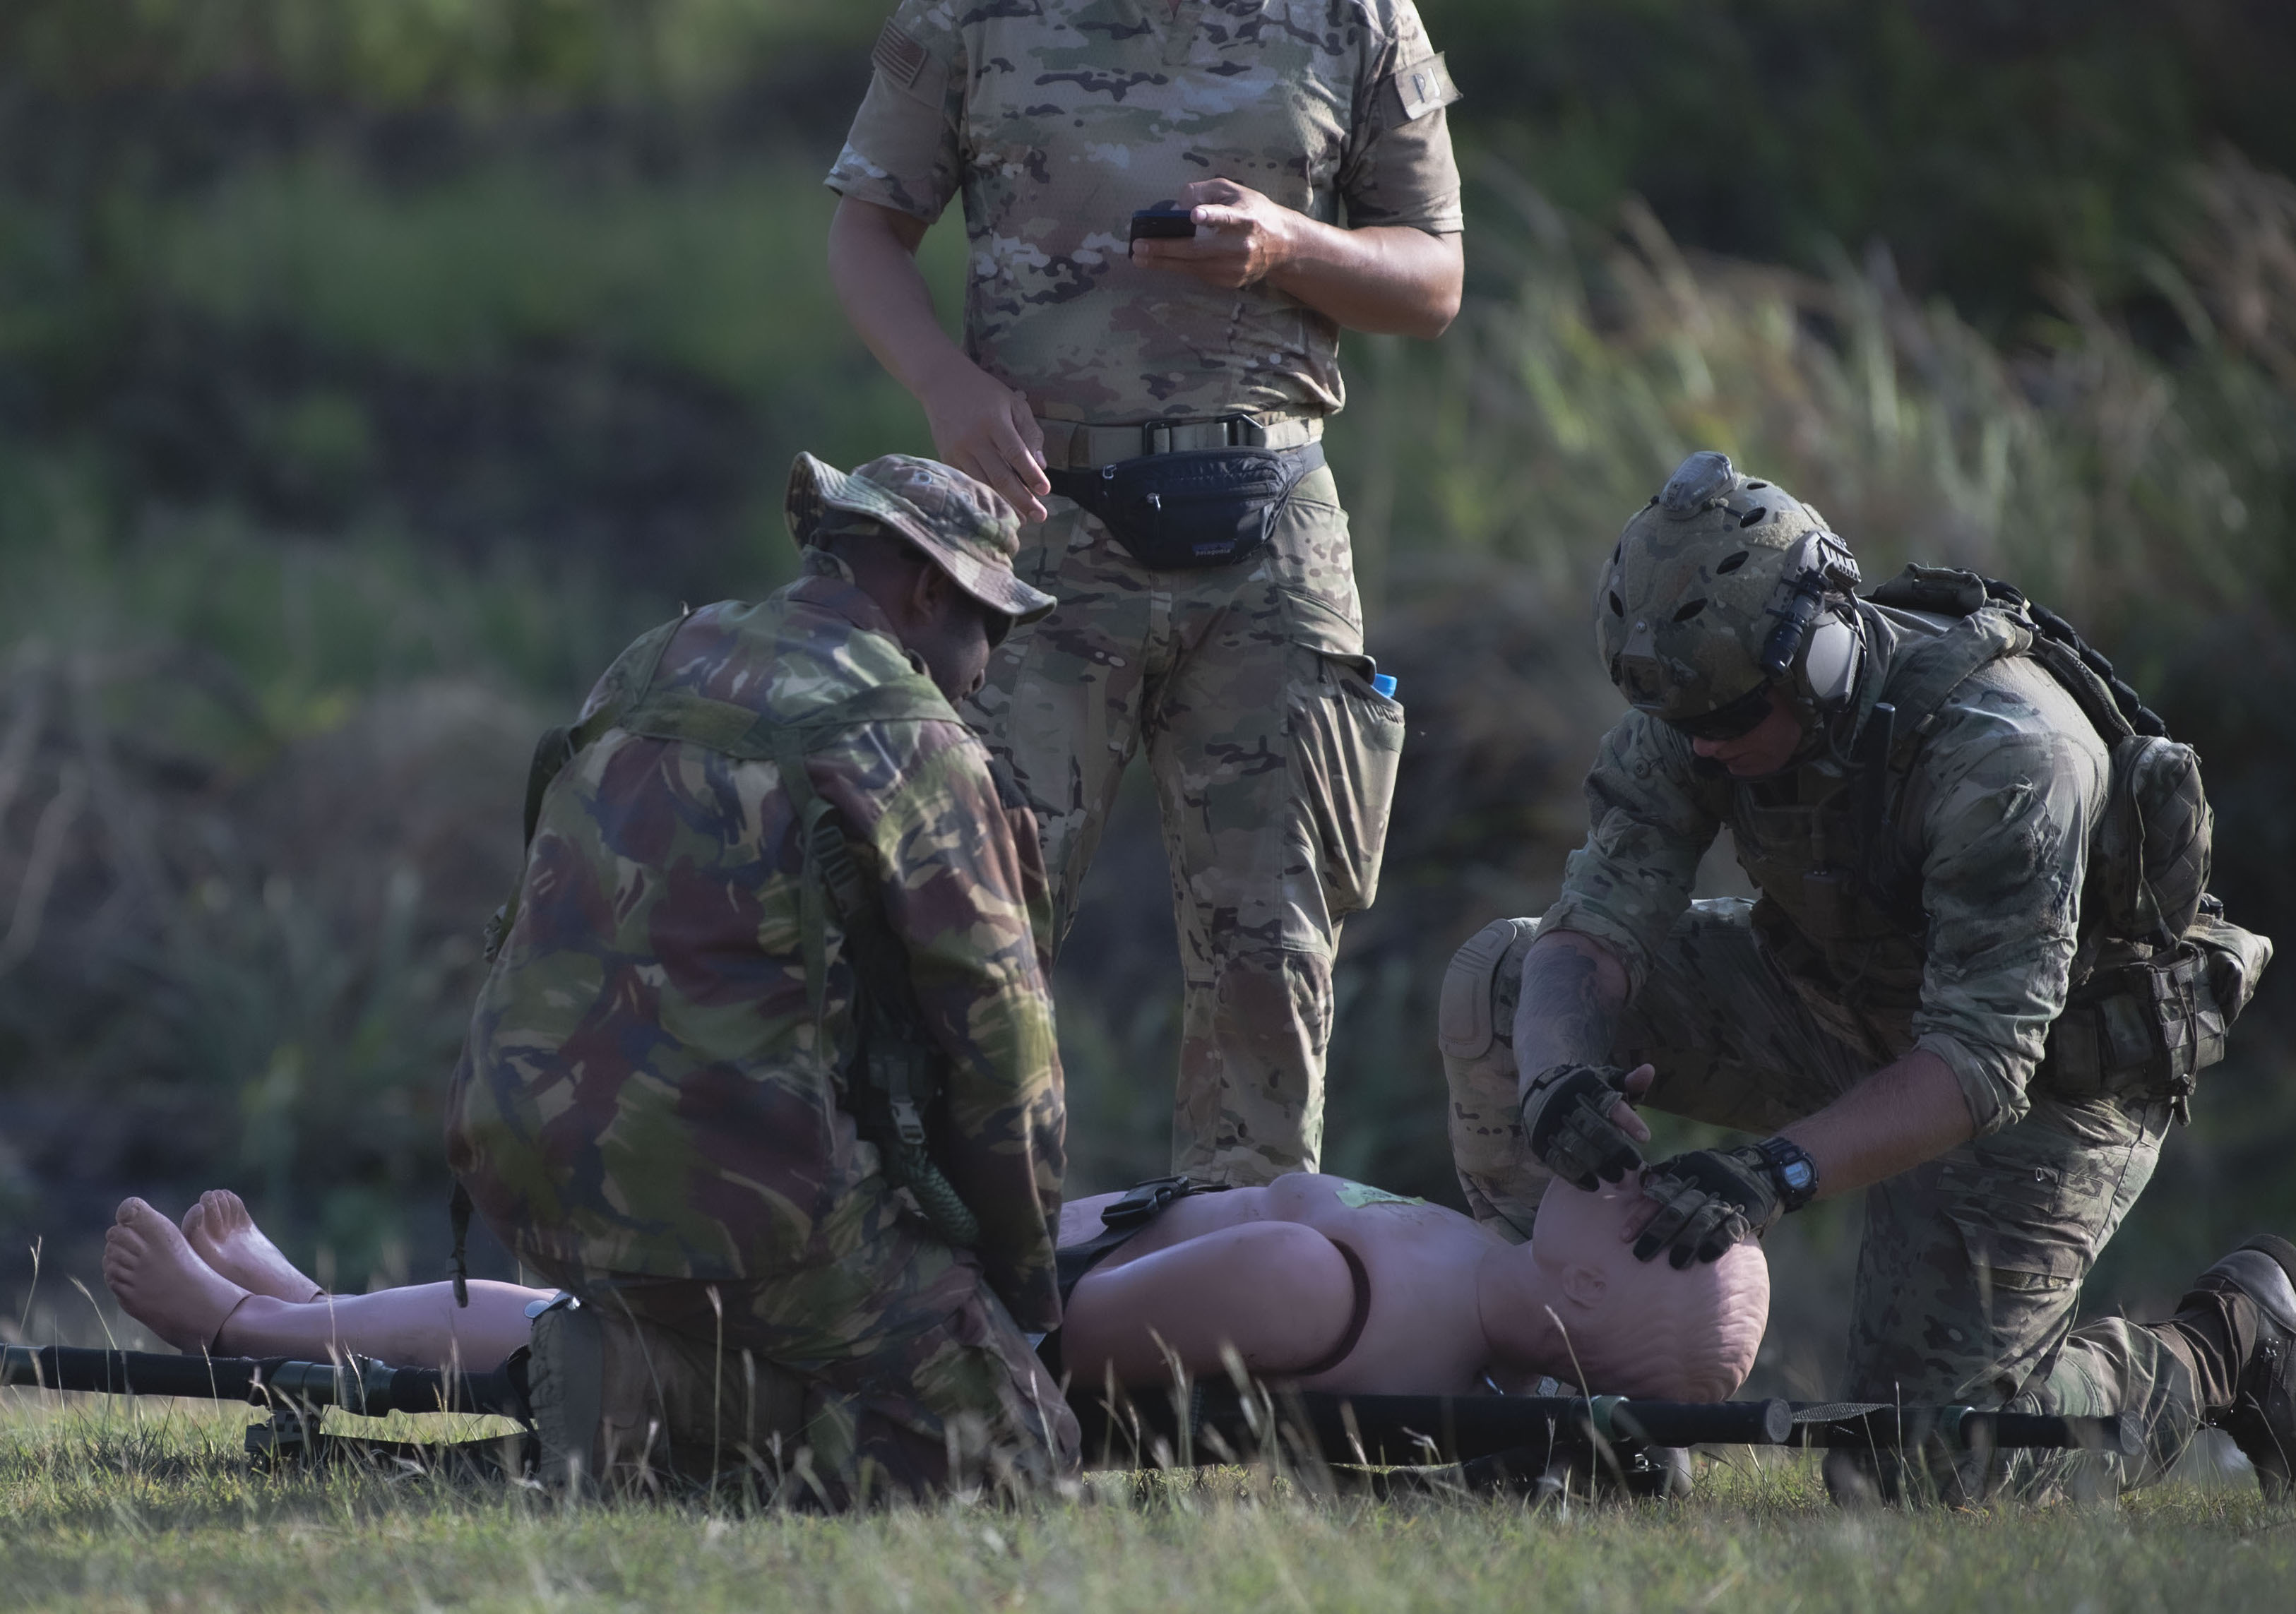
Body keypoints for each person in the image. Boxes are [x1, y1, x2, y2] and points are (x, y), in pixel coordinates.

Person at [1439, 450, 2296, 1507]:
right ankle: (1569, 1397)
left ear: (1818, 654)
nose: (1705, 746)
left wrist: (1771, 1173)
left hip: (2050, 1073)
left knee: (1919, 1474)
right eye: (1685, 725)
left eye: (1731, 722)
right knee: (1505, 984)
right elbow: (1588, 934)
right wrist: (1560, 1081)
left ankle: (2223, 1349)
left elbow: (1978, 1060)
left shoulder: (2005, 755)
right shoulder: (1700, 698)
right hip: (1839, 1001)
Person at [823, 0, 1466, 1186]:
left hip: (1270, 535)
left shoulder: (1356, 18)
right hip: (1033, 525)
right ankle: (953, 1306)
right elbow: (867, 235)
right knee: (969, 931)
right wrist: (943, 385)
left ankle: (1238, 1323)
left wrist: (1290, 247)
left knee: (1269, 954)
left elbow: (1432, 278)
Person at [440, 453, 1075, 1505]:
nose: (982, 669)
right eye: (989, 629)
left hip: (525, 1168)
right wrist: (1016, 1290)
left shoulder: (650, 661)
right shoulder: (907, 734)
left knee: (804, 1320)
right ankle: (655, 1403)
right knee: (1013, 1460)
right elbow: (1004, 1049)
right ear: (926, 590)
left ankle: (637, 1369)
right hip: (743, 1198)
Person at [102, 1176, 1768, 1406]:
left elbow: (1037, 1335)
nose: (1628, 1176)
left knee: (584, 1328)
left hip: (916, 1347)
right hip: (969, 1298)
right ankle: (318, 1310)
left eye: (1646, 1222)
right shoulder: (1416, 1281)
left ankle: (241, 1328)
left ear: (1576, 1291)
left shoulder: (1308, 1281)